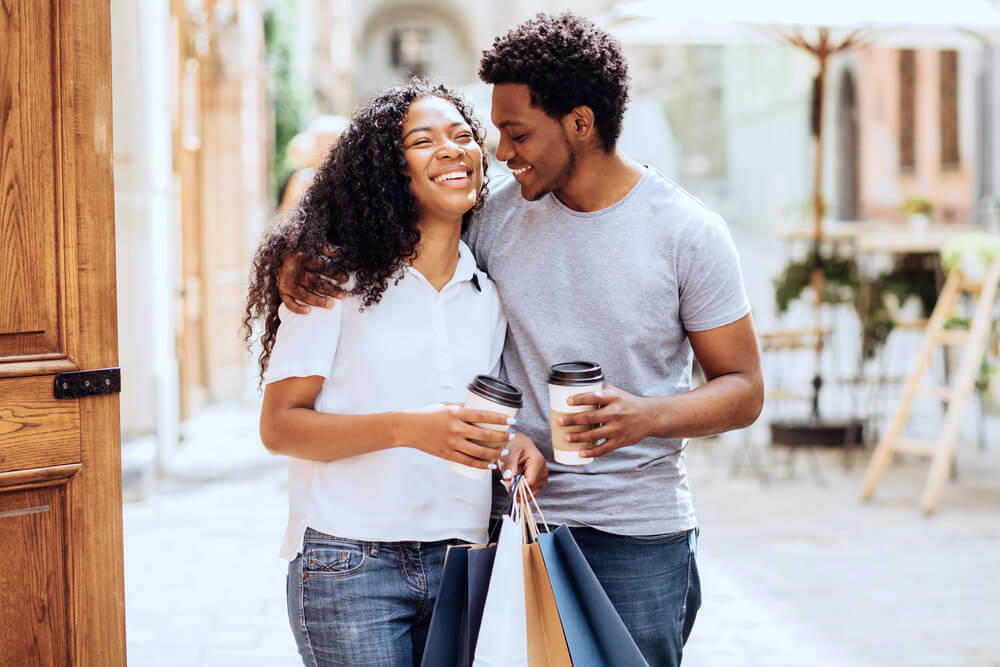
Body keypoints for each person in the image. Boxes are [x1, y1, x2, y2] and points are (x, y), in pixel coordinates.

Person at [274, 13, 764, 666]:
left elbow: (746, 388)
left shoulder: (689, 234)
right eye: (497, 132)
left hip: (637, 534)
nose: (500, 151)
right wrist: (300, 250)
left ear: (581, 123)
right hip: (502, 533)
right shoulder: (494, 216)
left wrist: (647, 415)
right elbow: (388, 220)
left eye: (517, 132)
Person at [243, 80, 547, 667]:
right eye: (423, 140)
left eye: (463, 136)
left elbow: (467, 417)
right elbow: (280, 427)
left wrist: (514, 445)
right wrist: (409, 428)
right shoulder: (332, 283)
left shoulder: (487, 294)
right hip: (350, 561)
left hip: (462, 557)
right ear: (388, 169)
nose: (452, 148)